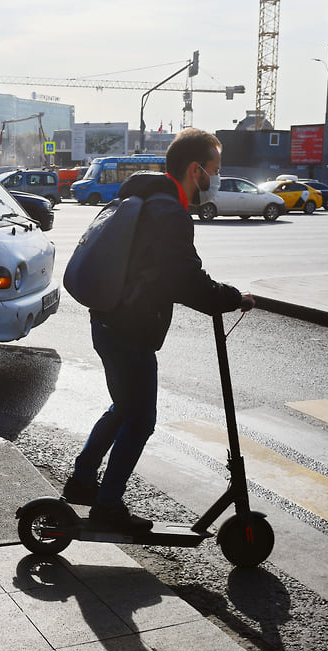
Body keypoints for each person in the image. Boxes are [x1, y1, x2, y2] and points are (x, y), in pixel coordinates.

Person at [63, 128, 255, 532]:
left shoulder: (144, 196)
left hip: (109, 320)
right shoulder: (168, 211)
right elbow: (184, 279)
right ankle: (108, 506)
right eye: (214, 170)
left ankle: (82, 481)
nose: (215, 179)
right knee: (140, 419)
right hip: (129, 328)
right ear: (195, 169)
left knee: (123, 409)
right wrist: (233, 296)